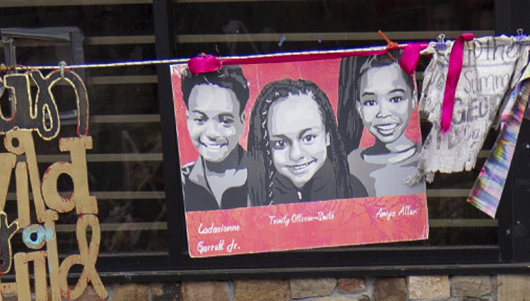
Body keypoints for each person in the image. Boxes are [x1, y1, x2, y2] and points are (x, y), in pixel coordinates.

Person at [244, 76, 346, 207]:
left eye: (308, 138)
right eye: (280, 143)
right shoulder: (244, 198)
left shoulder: (354, 189)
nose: (296, 155)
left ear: (327, 137)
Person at [346, 53, 425, 195]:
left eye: (395, 99)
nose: (383, 113)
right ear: (359, 108)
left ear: (413, 100)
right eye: (370, 102)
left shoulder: (427, 157)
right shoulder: (350, 165)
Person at [175, 64, 252, 209]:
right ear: (187, 119)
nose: (212, 133)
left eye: (225, 120)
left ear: (242, 121)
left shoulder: (268, 179)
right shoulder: (180, 183)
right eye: (200, 119)